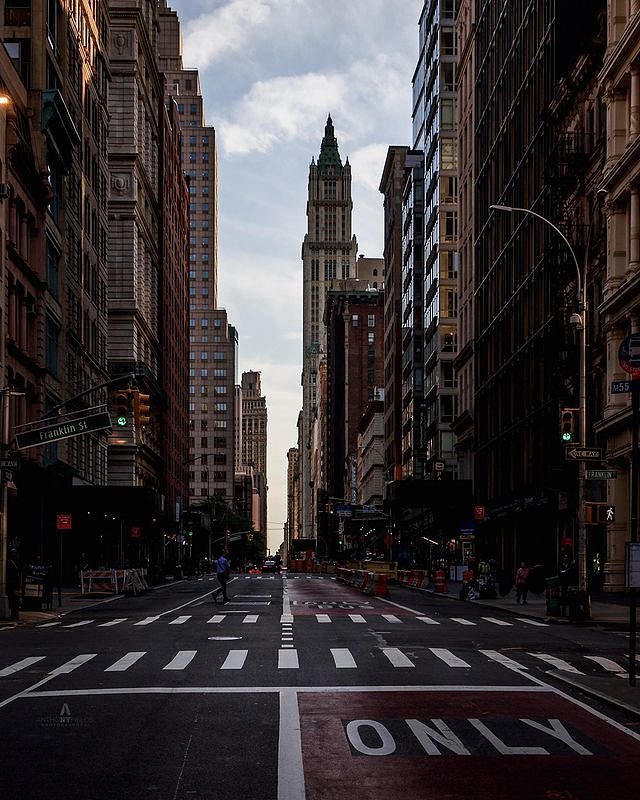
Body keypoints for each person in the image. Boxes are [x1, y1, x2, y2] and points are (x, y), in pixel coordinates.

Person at [6, 548, 22, 621]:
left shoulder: (10, 562)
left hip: (12, 585)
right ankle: (14, 616)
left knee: (13, 602)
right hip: (13, 585)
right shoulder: (12, 563)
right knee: (15, 602)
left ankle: (14, 616)